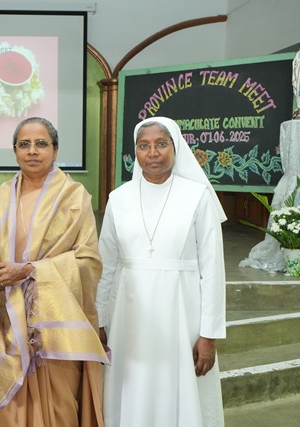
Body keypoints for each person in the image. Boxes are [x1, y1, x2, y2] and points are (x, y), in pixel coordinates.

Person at [0, 117, 109, 426]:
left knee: (59, 409)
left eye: (41, 144)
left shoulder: (73, 196)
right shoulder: (0, 198)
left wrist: (30, 271)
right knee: (11, 410)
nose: (32, 151)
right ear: (15, 151)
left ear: (55, 150)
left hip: (54, 327)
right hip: (8, 319)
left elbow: (88, 260)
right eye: (24, 144)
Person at [95, 116, 227, 427]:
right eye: (144, 146)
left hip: (182, 315)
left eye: (161, 144)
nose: (153, 153)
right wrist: (99, 321)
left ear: (175, 147)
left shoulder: (197, 196)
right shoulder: (118, 198)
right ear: (135, 152)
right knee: (132, 388)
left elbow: (213, 269)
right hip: (127, 316)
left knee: (179, 391)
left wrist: (209, 334)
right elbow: (106, 265)